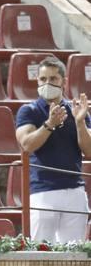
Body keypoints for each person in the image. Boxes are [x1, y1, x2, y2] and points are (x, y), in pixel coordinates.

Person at [16, 58, 91, 244]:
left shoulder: (77, 111)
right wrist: (49, 125)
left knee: (74, 256)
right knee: (41, 253)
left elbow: (89, 150)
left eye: (53, 78)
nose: (47, 83)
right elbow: (27, 144)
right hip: (43, 192)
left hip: (75, 191)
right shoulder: (28, 111)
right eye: (42, 79)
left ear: (63, 81)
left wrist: (80, 122)